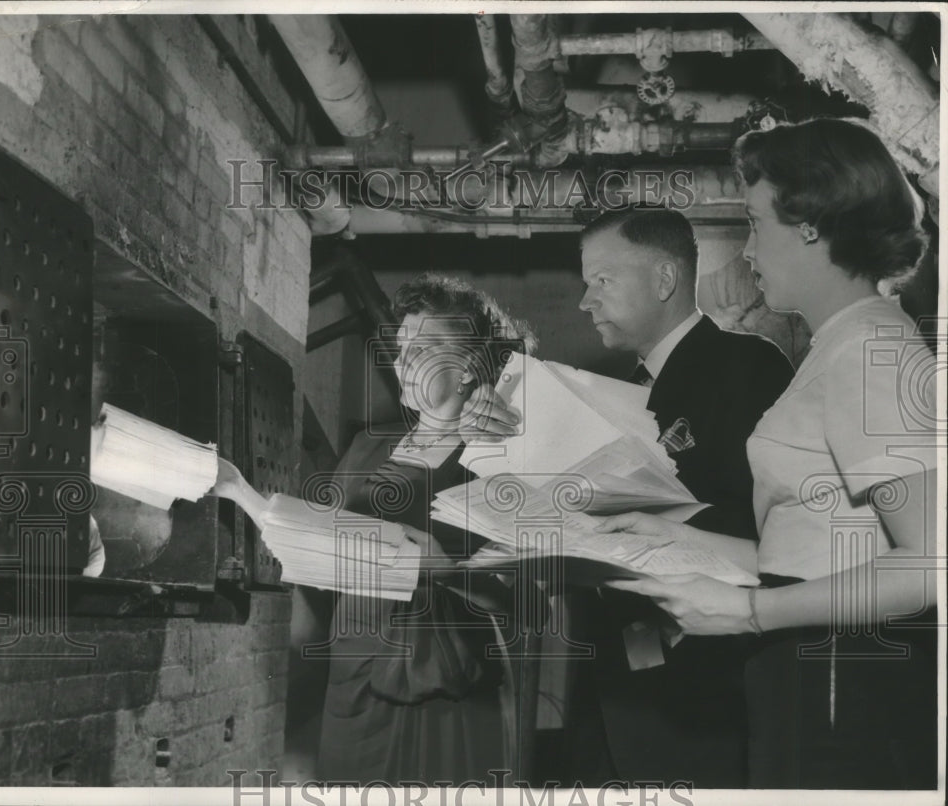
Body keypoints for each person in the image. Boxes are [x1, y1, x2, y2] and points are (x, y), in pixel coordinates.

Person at [599, 118, 938, 789]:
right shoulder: (837, 347)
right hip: (810, 666)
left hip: (846, 680)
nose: (747, 252)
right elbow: (808, 557)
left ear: (810, 223)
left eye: (755, 224)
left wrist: (749, 612)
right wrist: (667, 535)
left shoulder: (869, 350)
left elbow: (931, 565)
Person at [465, 207, 794, 787]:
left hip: (702, 695)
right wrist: (504, 451)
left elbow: (782, 532)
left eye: (602, 281)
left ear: (664, 279)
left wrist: (652, 521)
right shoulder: (617, 394)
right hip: (613, 683)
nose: (585, 302)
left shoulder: (746, 365)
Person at [217, 273, 537, 784]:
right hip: (354, 674)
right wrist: (240, 493)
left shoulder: (496, 459)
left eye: (427, 348)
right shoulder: (368, 446)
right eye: (403, 347)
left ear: (470, 368)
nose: (405, 363)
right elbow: (318, 543)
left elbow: (529, 602)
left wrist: (448, 571)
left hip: (442, 686)